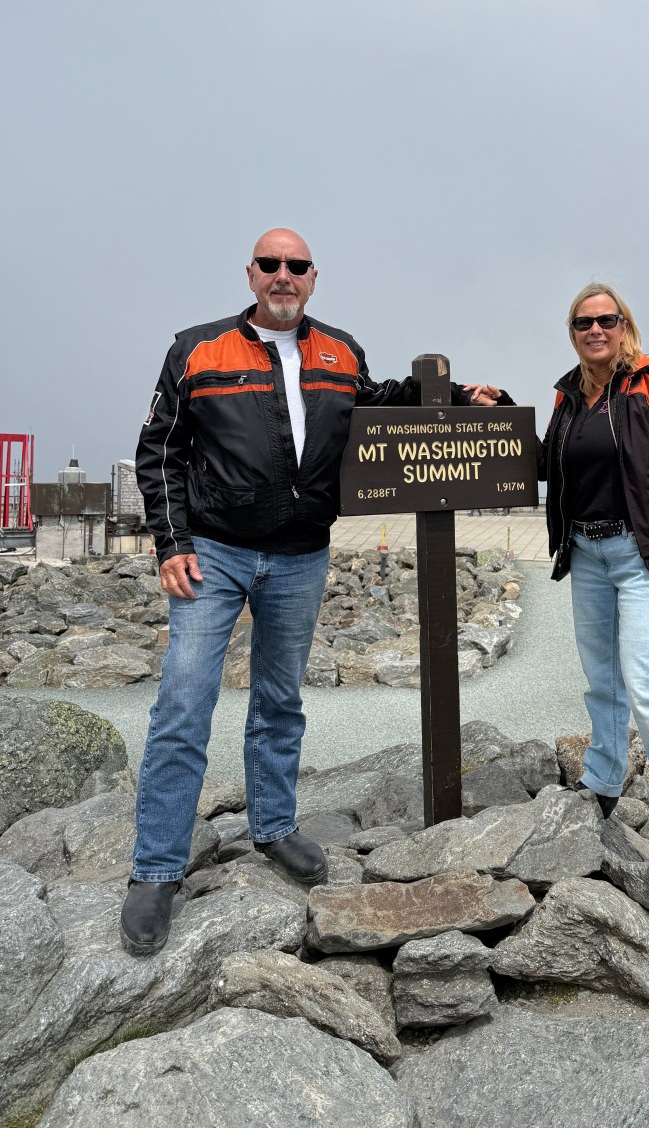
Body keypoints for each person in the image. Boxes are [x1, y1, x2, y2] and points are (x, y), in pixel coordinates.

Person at [122, 229, 503, 957]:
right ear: (252, 273)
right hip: (214, 551)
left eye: (297, 266)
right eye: (271, 264)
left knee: (280, 699)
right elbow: (161, 450)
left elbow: (379, 401)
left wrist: (454, 395)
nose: (284, 276)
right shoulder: (198, 350)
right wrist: (171, 543)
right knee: (182, 702)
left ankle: (273, 825)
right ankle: (156, 868)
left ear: (313, 278)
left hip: (301, 555)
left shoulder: (339, 351)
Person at [539, 283, 649, 872]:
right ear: (572, 332)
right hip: (588, 553)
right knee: (602, 680)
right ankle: (603, 782)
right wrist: (491, 408)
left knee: (647, 684)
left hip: (642, 553)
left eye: (606, 320)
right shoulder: (571, 396)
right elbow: (548, 465)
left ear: (624, 325)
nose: (596, 330)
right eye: (583, 323)